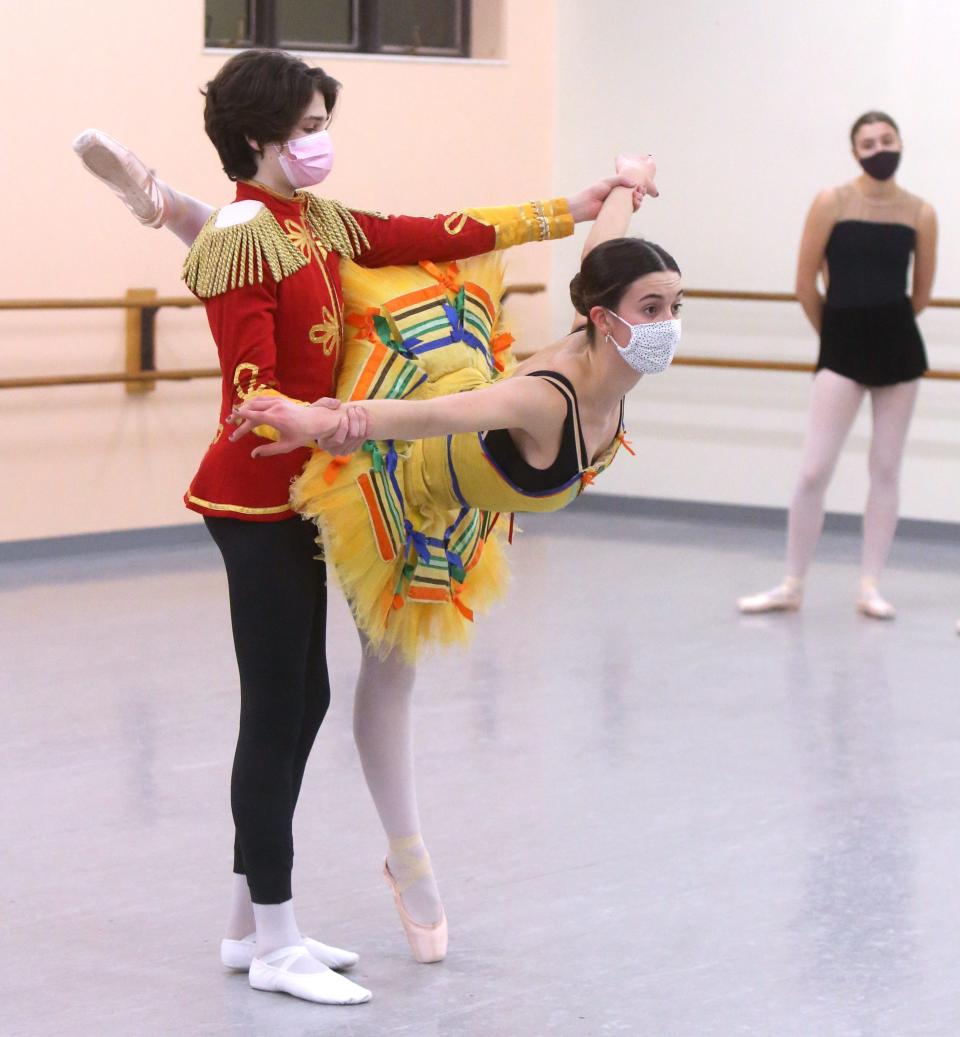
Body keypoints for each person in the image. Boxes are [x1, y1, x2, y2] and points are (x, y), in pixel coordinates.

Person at [73, 48, 646, 1004]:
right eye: (304, 127)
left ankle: (246, 923)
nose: (320, 141)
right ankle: (277, 937)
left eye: (322, 123)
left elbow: (439, 228)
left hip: (301, 484)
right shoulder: (246, 234)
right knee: (278, 708)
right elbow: (249, 369)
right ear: (259, 138)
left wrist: (573, 208)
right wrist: (286, 411)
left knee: (302, 703)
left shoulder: (316, 221)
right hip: (257, 492)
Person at [228, 155, 677, 667]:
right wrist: (321, 421)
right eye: (651, 309)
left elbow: (602, 250)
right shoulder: (545, 400)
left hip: (456, 487)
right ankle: (192, 215)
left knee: (397, 673)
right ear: (606, 318)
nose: (668, 324)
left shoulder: (595, 342)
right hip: (397, 468)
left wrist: (629, 182)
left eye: (674, 308)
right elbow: (432, 418)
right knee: (389, 669)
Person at [737, 111, 937, 620]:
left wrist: (881, 327)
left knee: (886, 467)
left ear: (900, 143)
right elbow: (805, 282)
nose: (879, 148)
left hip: (898, 347)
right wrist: (836, 332)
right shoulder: (833, 202)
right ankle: (792, 582)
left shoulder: (921, 212)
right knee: (813, 468)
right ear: (855, 152)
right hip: (841, 345)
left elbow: (921, 293)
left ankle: (869, 585)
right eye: (868, 142)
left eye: (887, 139)